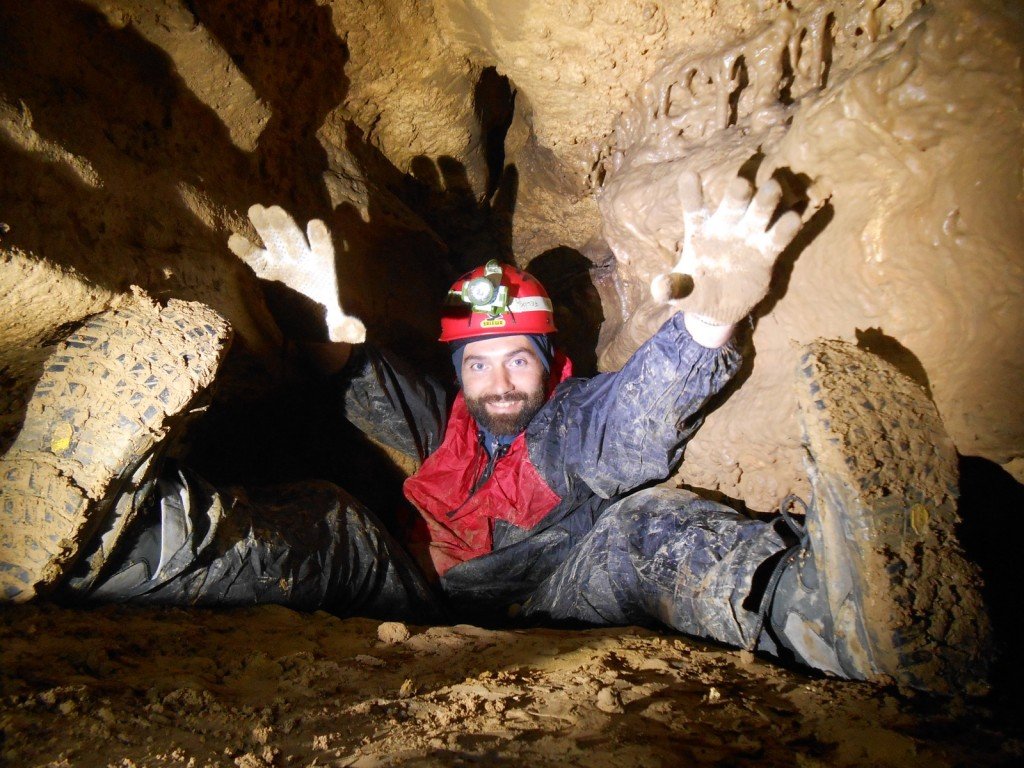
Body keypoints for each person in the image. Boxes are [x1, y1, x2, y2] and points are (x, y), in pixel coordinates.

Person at [0, 173, 988, 695]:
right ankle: (108, 536)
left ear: (550, 361)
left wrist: (708, 323)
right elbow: (360, 384)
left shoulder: (571, 418)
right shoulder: (440, 419)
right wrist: (323, 321)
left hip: (558, 593)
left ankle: (839, 613)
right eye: (478, 362)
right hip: (408, 591)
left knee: (647, 526)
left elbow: (631, 426)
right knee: (330, 519)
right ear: (458, 369)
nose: (499, 379)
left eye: (518, 358)